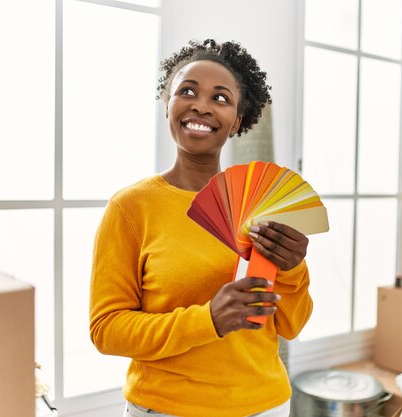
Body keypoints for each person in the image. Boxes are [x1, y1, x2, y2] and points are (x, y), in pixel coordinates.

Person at [89, 39, 313, 417]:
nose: (202, 105)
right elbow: (107, 330)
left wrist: (293, 270)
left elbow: (292, 324)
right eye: (187, 91)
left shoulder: (262, 204)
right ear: (168, 105)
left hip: (265, 405)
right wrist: (207, 320)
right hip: (166, 408)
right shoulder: (130, 207)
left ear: (238, 121)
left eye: (221, 98)